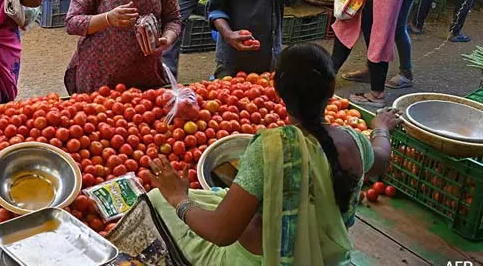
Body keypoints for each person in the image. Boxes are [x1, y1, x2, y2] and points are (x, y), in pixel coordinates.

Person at [148, 43, 399, 266]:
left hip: (261, 260)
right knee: (215, 197)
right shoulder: (353, 140)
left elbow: (220, 233)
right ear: (331, 88)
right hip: (329, 258)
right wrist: (381, 128)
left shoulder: (271, 149)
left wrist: (178, 199)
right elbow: (381, 159)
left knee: (157, 199)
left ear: (278, 91)